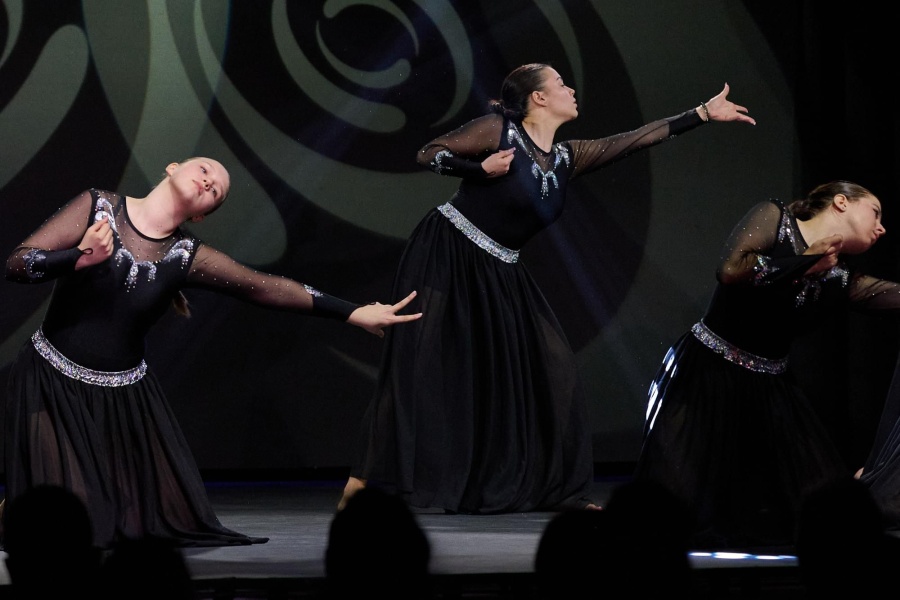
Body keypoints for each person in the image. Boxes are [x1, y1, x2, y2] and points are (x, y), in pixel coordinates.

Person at [338, 62, 756, 514]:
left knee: (556, 366)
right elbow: (428, 153)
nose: (570, 89)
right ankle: (361, 483)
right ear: (538, 97)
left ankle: (560, 491)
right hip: (447, 252)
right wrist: (477, 168)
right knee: (414, 363)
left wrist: (702, 114)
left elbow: (633, 139)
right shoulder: (499, 131)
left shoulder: (566, 158)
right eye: (559, 83)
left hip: (502, 266)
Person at [3, 157, 422, 549]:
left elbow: (266, 287)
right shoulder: (98, 207)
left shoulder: (186, 255)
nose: (209, 181)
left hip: (122, 399)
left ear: (202, 214)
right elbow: (18, 264)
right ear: (172, 168)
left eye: (217, 191)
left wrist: (353, 313)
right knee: (69, 527)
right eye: (205, 170)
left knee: (131, 526)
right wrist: (78, 257)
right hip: (51, 382)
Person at [634, 180, 899, 551]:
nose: (881, 227)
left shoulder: (837, 278)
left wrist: (815, 266)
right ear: (841, 202)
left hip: (770, 389)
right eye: (875, 213)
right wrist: (805, 262)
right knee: (670, 508)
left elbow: (889, 295)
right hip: (707, 374)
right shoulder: (775, 218)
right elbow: (731, 270)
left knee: (822, 509)